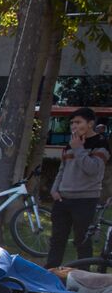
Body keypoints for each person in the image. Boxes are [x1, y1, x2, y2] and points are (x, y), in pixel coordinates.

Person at [47, 107, 109, 267]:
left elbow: (93, 170)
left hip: (85, 200)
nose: (74, 126)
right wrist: (54, 189)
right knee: (57, 239)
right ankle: (50, 274)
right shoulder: (71, 144)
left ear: (90, 124)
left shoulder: (100, 143)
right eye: (72, 123)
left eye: (78, 122)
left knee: (82, 240)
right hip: (62, 198)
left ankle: (83, 276)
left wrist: (78, 149)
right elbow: (62, 169)